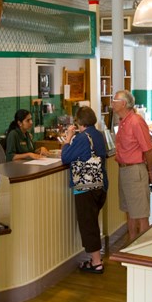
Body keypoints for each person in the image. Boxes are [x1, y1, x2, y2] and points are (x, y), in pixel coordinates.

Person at [61, 106, 108, 274]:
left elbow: (65, 157)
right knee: (92, 222)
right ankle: (96, 259)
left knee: (88, 225)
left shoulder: (82, 138)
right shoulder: (98, 135)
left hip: (85, 187)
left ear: (79, 121)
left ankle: (96, 263)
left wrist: (68, 138)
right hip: (100, 185)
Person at [112, 90, 152, 240]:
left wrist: (149, 171)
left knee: (141, 214)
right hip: (124, 170)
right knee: (129, 211)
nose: (112, 104)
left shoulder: (136, 121)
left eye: (114, 101)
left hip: (136, 170)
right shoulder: (122, 121)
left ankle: (143, 251)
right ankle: (131, 246)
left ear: (123, 104)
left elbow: (148, 150)